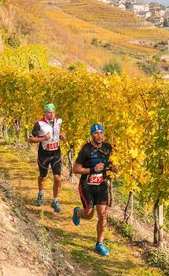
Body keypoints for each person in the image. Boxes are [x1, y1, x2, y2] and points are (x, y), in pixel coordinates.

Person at [72, 123, 119, 256]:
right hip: (86, 185)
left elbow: (108, 161)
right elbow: (75, 169)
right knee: (89, 214)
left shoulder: (107, 148)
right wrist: (93, 169)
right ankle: (77, 212)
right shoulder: (86, 150)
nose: (99, 136)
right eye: (96, 133)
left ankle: (99, 244)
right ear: (92, 135)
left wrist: (112, 167)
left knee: (103, 215)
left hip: (101, 185)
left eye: (101, 133)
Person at [28, 103, 66, 211]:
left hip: (56, 153)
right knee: (42, 176)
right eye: (49, 112)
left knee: (58, 178)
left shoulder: (59, 121)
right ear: (45, 113)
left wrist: (61, 136)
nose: (52, 114)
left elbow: (58, 131)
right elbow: (31, 139)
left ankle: (55, 201)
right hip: (44, 153)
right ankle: (40, 193)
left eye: (53, 112)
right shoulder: (39, 124)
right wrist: (43, 138)